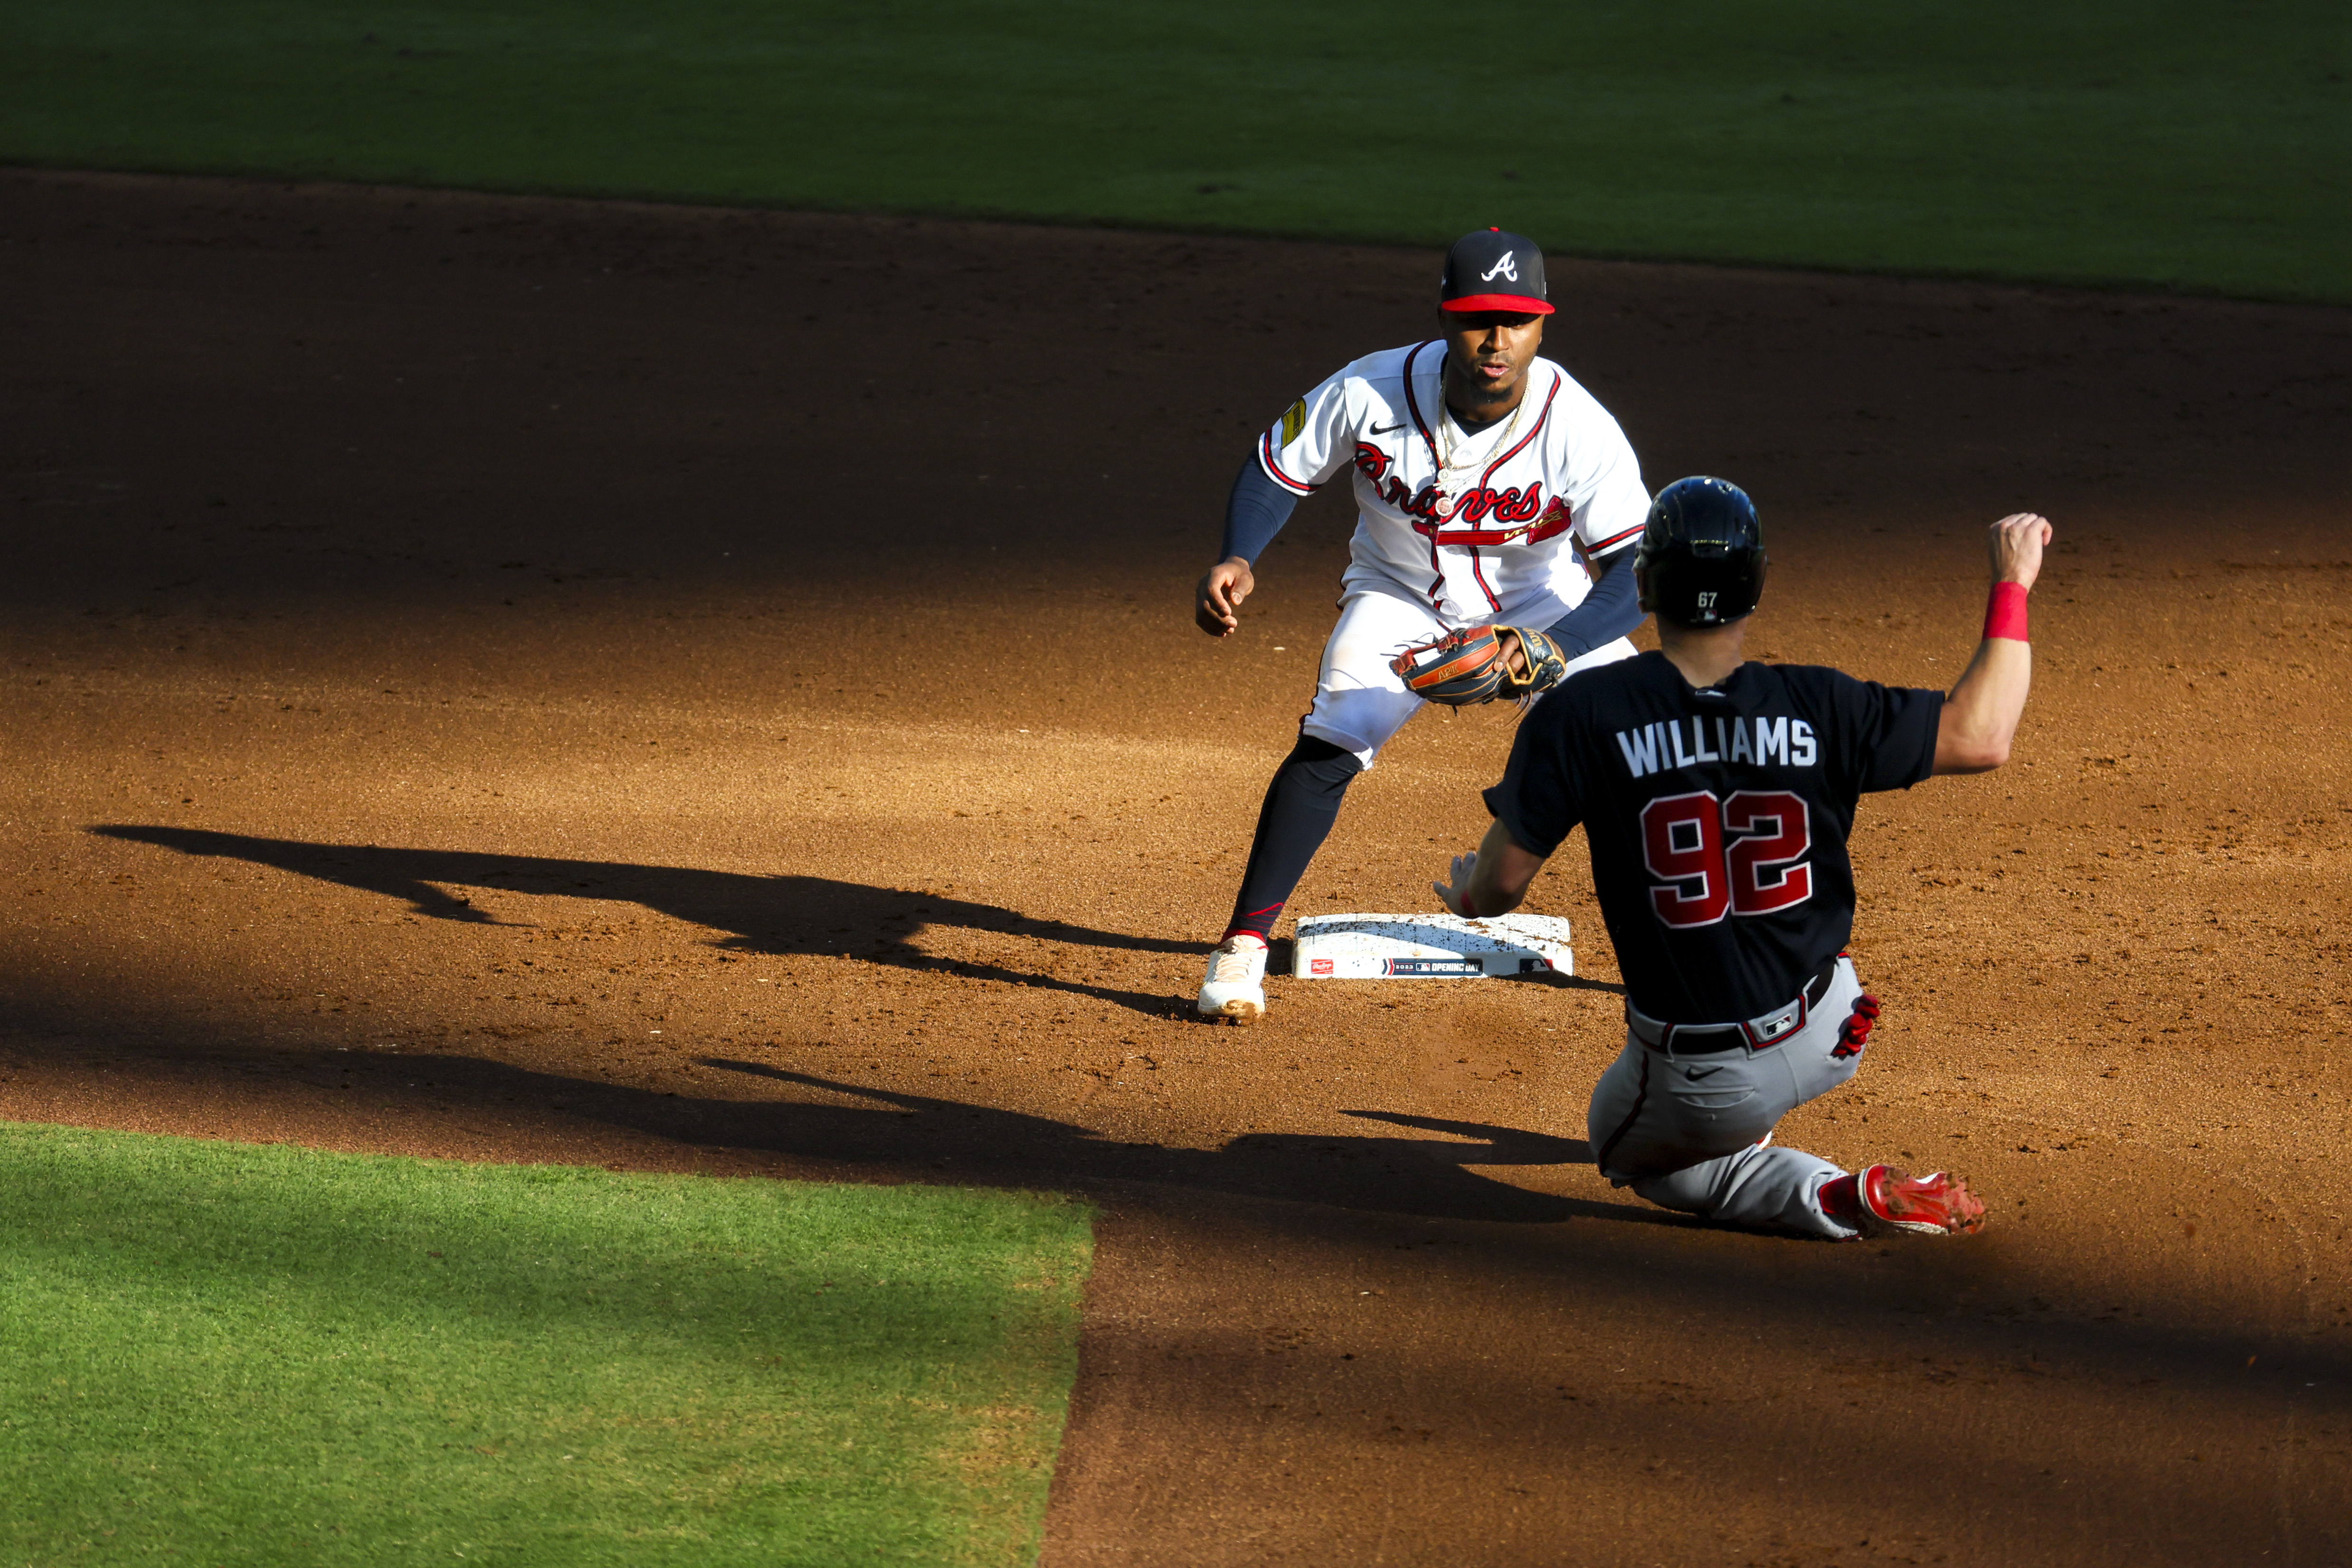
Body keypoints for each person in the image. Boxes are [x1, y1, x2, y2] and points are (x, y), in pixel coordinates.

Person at [1434, 477, 2050, 1238]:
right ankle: (1761, 1106)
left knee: (1623, 1148)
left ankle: (1840, 1196)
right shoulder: (1821, 703)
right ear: (1757, 585)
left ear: (1641, 586)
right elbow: (1983, 735)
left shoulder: (1582, 715)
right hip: (1833, 1023)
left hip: (1709, 1077)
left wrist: (1467, 895)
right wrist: (2012, 581)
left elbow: (1498, 885)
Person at [1194, 228, 1653, 1023]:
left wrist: (1553, 648)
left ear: (1543, 324)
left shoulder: (1577, 423)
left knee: (1628, 739)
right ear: (1446, 316)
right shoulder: (1368, 390)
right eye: (1479, 317)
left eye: (1517, 319)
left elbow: (1639, 568)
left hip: (1541, 608)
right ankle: (1241, 943)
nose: (1497, 339)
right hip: (1399, 593)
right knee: (1339, 723)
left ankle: (1665, 961)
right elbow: (1277, 466)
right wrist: (1239, 555)